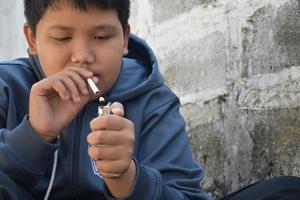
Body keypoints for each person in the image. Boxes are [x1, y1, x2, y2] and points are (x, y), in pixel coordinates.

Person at [0, 1, 299, 200]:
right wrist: (35, 136)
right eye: (62, 38)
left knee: (286, 191)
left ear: (125, 38)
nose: (83, 56)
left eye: (102, 36)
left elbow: (187, 195)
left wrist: (127, 177)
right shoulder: (8, 86)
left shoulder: (154, 100)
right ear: (32, 39)